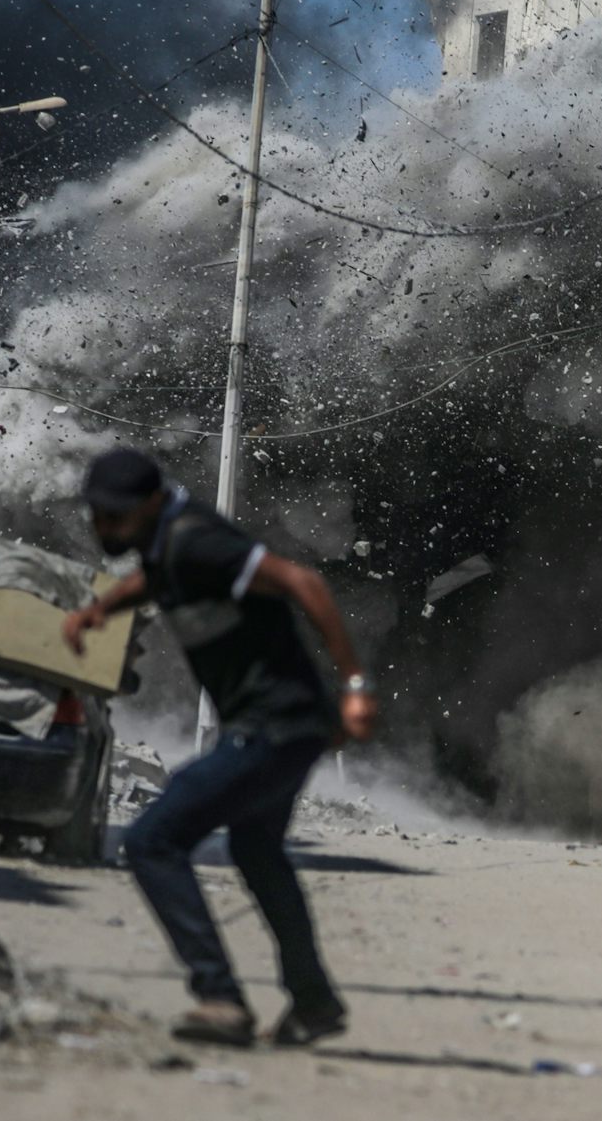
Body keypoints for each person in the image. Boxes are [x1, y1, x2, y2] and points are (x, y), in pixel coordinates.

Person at [62, 447, 378, 1048]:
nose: (105, 528)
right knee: (258, 852)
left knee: (153, 840)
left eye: (115, 518)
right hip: (284, 724)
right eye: (98, 516)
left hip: (272, 725)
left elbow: (300, 581)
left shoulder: (196, 539)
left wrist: (355, 685)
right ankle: (313, 1003)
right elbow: (152, 580)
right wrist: (98, 610)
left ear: (151, 504)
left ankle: (220, 999)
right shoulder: (164, 546)